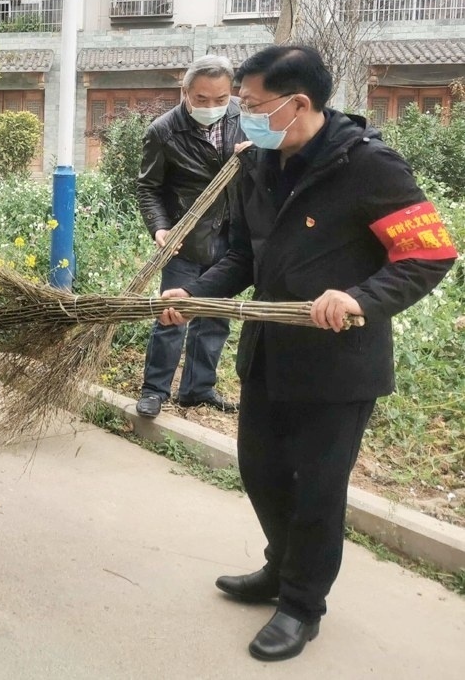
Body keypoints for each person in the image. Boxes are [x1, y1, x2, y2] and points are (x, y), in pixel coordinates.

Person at [157, 46, 456, 662]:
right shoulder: (258, 164)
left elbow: (430, 254)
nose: (243, 117)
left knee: (317, 489)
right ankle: (279, 569)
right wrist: (198, 295)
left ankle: (301, 606)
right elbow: (244, 254)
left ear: (299, 104)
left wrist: (358, 298)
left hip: (339, 366)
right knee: (262, 473)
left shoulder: (371, 168)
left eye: (252, 105)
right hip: (269, 351)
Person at [135, 55, 244, 417]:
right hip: (185, 238)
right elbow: (148, 187)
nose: (211, 106)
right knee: (172, 313)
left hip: (231, 238)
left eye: (220, 99)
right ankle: (154, 390)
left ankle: (198, 389)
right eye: (201, 99)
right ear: (185, 91)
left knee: (214, 315)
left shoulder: (246, 118)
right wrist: (160, 227)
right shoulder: (164, 131)